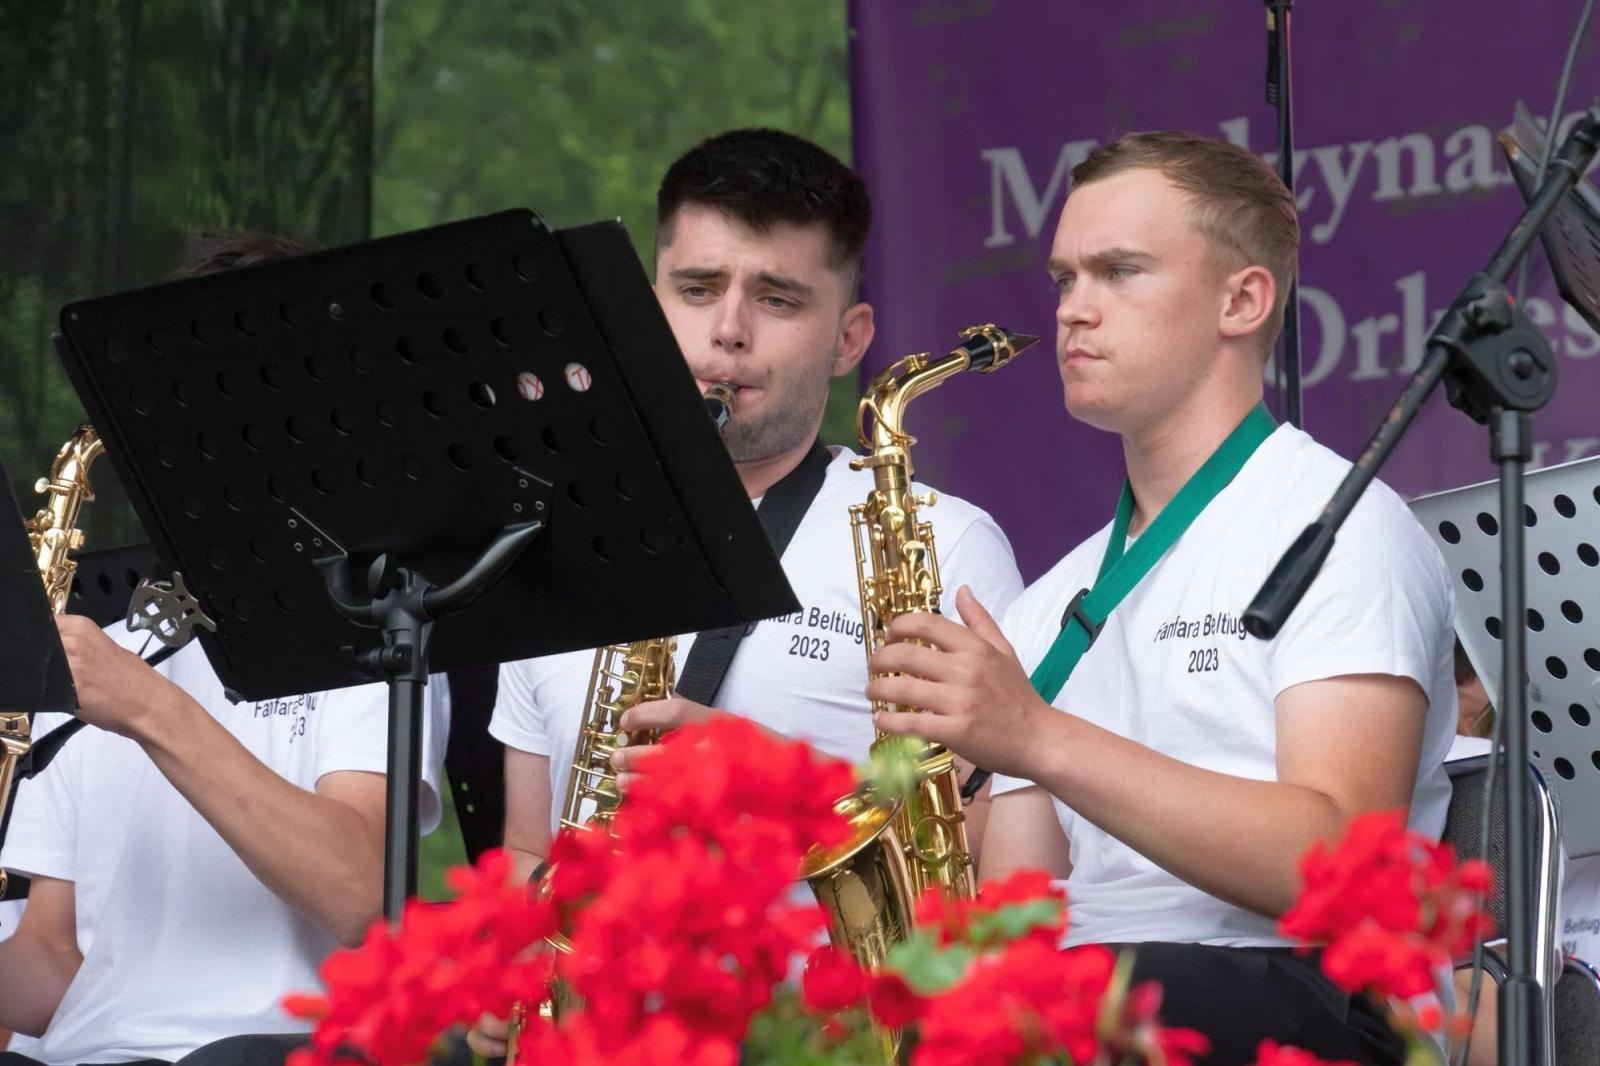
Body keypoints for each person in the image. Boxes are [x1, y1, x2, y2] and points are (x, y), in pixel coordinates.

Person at [866, 131, 1457, 1065]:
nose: (1073, 312)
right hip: (1095, 998)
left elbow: (1343, 863)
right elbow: (1021, 908)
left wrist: (1038, 736)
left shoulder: (1343, 526)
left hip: (1308, 993)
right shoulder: (1049, 600)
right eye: (1065, 280)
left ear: (1242, 299)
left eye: (1119, 272)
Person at [470, 128, 1023, 1057]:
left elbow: (976, 858)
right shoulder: (552, 544)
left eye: (777, 298)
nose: (729, 330)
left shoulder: (945, 542)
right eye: (697, 290)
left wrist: (770, 778)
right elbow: (530, 848)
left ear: (850, 338)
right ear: (649, 308)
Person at [0, 231, 452, 1066]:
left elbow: (364, 896)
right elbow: (56, 959)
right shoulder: (109, 651)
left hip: (266, 1049)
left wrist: (143, 706)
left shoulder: (378, 631)